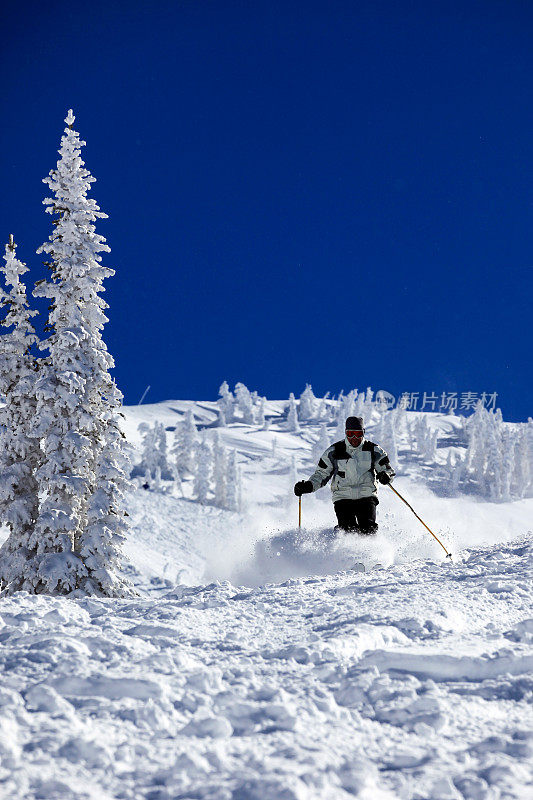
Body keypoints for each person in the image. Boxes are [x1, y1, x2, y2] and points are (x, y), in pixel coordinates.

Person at [294, 415, 395, 534]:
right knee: (348, 530)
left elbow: (387, 470)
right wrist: (309, 486)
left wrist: (386, 476)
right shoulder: (335, 451)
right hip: (343, 497)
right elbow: (321, 474)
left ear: (363, 433)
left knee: (368, 529)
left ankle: (370, 550)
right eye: (350, 433)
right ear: (345, 433)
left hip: (366, 496)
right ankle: (341, 541)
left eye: (358, 434)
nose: (354, 438)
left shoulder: (373, 450)